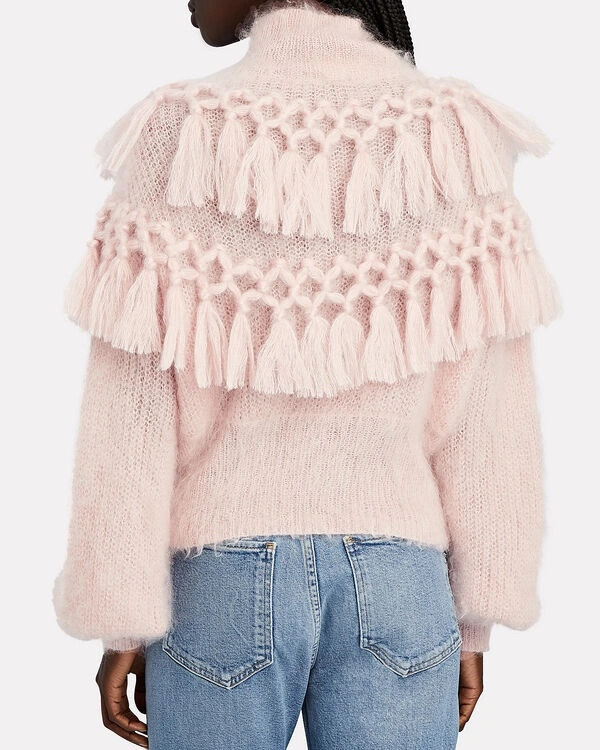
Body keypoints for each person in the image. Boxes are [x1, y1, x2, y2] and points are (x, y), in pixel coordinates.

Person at [52, 0, 562, 747]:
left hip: (219, 583)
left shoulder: (180, 131)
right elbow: (490, 411)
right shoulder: (453, 133)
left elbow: (131, 410)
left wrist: (120, 616)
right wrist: (476, 621)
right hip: (401, 580)